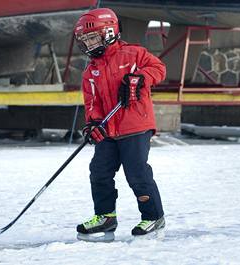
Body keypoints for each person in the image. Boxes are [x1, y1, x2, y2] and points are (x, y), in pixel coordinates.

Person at [74, 7, 166, 242]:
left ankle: (153, 217)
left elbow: (159, 69)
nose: (88, 44)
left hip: (135, 126)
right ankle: (106, 216)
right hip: (108, 130)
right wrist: (93, 124)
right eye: (84, 40)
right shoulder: (90, 71)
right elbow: (92, 102)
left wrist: (140, 78)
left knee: (136, 173)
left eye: (92, 38)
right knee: (99, 171)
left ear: (109, 32)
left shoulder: (133, 54)